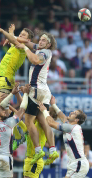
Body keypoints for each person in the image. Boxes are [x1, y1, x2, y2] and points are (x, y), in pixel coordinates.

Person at [39, 96, 89, 178]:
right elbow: (62, 116)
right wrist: (54, 106)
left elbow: (51, 123)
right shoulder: (71, 125)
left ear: (77, 119)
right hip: (75, 163)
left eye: (74, 113)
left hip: (78, 163)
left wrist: (45, 111)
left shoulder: (73, 128)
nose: (71, 113)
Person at [15, 31, 59, 165]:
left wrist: (26, 49)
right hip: (44, 90)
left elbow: (33, 59)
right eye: (40, 39)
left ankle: (38, 150)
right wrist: (10, 36)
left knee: (28, 121)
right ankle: (52, 150)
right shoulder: (41, 49)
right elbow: (25, 42)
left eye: (43, 40)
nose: (40, 42)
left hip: (36, 89)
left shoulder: (44, 52)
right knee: (42, 121)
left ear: (49, 44)